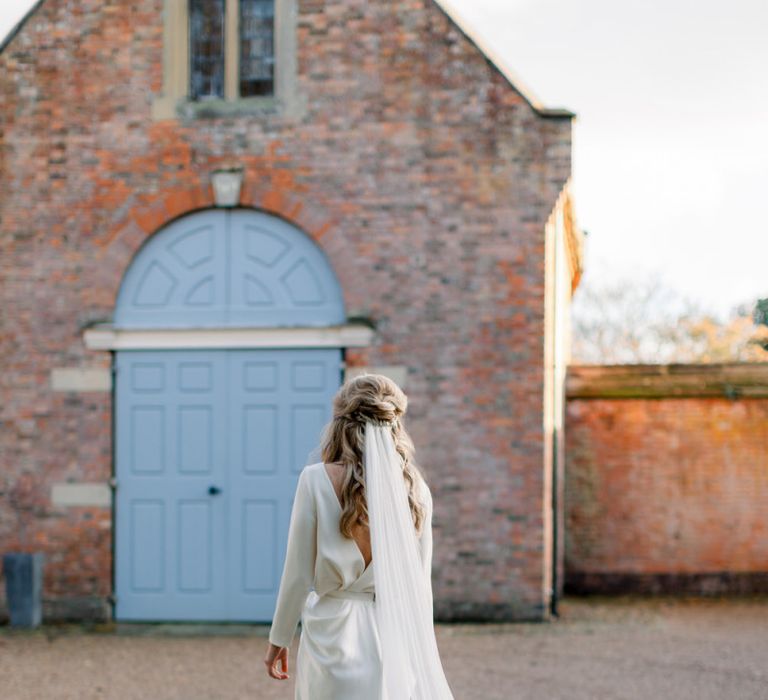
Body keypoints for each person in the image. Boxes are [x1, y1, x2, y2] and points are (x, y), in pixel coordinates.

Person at [263, 373, 454, 699]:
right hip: (392, 639)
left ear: (341, 423)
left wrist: (279, 640)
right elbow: (419, 585)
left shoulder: (316, 480)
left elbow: (296, 574)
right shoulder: (416, 491)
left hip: (332, 638)